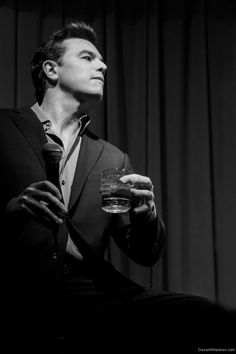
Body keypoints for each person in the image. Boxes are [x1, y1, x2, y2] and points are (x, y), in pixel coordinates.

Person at [0, 21, 234, 353]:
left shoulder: (112, 158)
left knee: (215, 319)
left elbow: (144, 252)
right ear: (51, 70)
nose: (103, 65)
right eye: (87, 57)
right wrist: (10, 209)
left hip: (91, 293)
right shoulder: (4, 128)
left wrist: (145, 214)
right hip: (17, 286)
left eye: (102, 60)